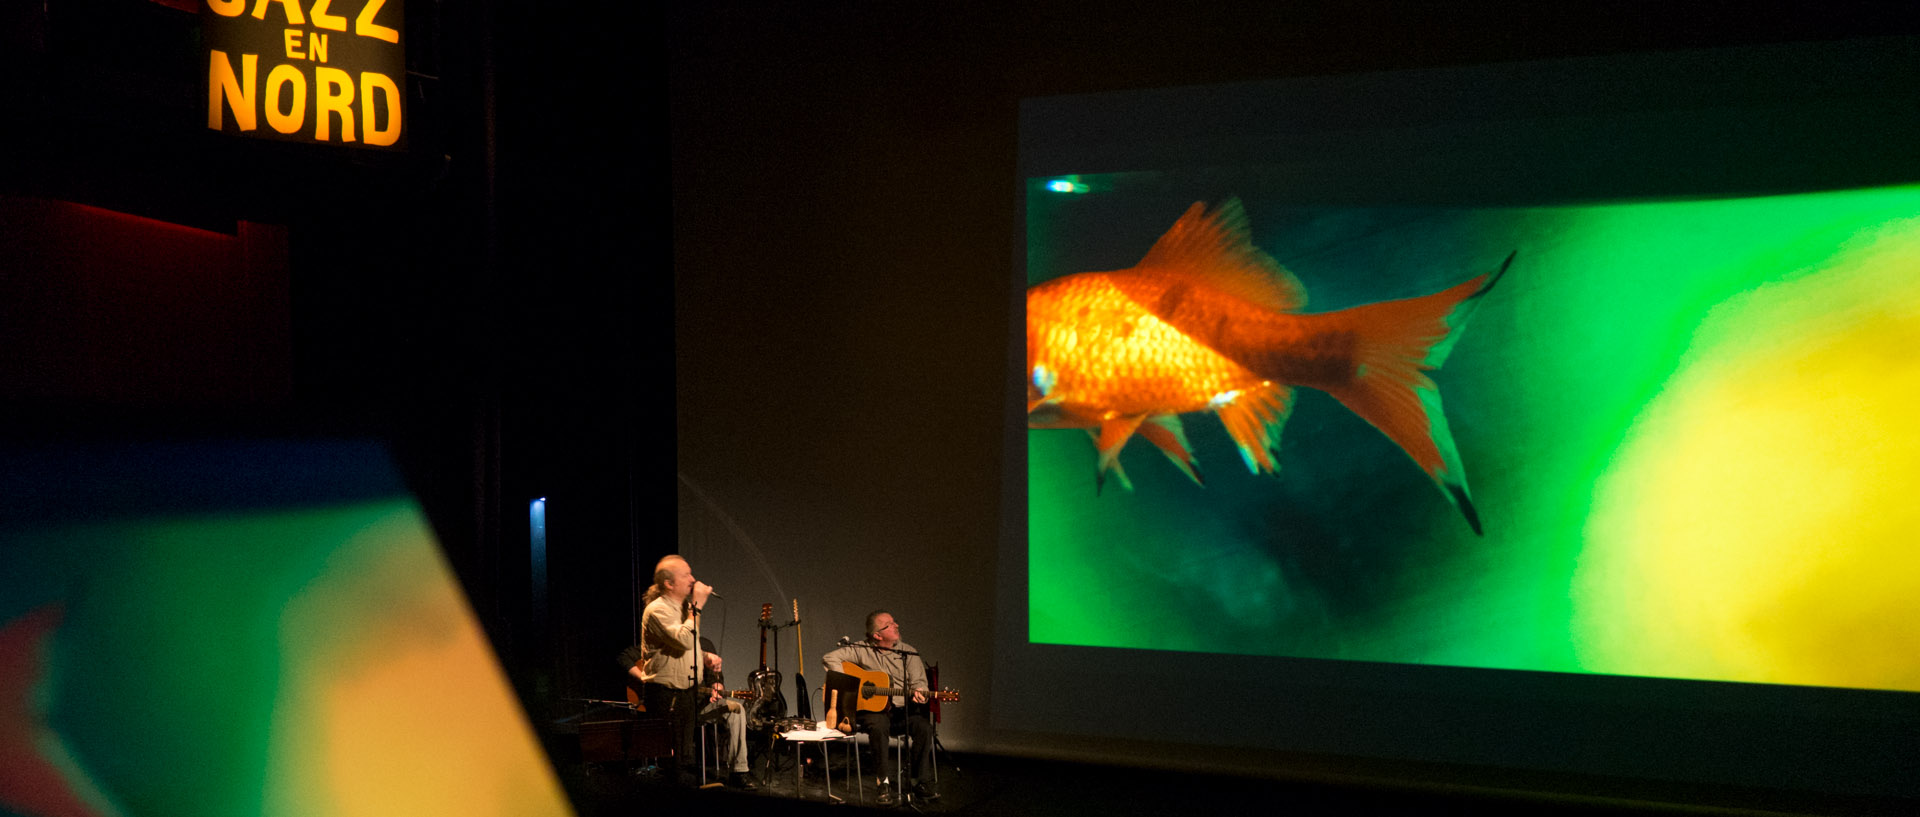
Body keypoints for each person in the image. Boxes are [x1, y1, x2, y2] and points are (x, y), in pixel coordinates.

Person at [621, 555, 756, 790]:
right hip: (665, 695)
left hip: (687, 693)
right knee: (672, 763)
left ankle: (736, 773)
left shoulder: (682, 610)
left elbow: (686, 646)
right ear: (669, 584)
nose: (693, 579)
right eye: (686, 575)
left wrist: (705, 657)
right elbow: (683, 639)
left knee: (684, 757)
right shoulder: (657, 610)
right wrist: (697, 606)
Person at [820, 610, 937, 805]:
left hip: (901, 711)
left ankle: (919, 781)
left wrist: (921, 693)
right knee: (879, 725)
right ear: (877, 635)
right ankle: (883, 783)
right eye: (890, 624)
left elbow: (920, 683)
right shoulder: (860, 649)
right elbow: (829, 658)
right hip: (872, 712)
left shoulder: (909, 652)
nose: (896, 625)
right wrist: (849, 684)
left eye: (895, 622)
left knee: (924, 728)